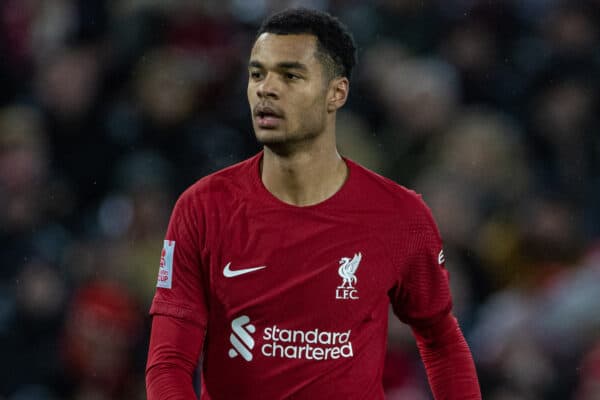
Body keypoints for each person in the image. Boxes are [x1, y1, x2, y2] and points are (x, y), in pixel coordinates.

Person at [146, 8, 481, 400]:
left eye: (290, 75)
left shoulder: (401, 216)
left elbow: (440, 340)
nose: (266, 89)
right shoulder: (203, 208)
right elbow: (168, 363)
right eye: (257, 74)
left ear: (336, 93)